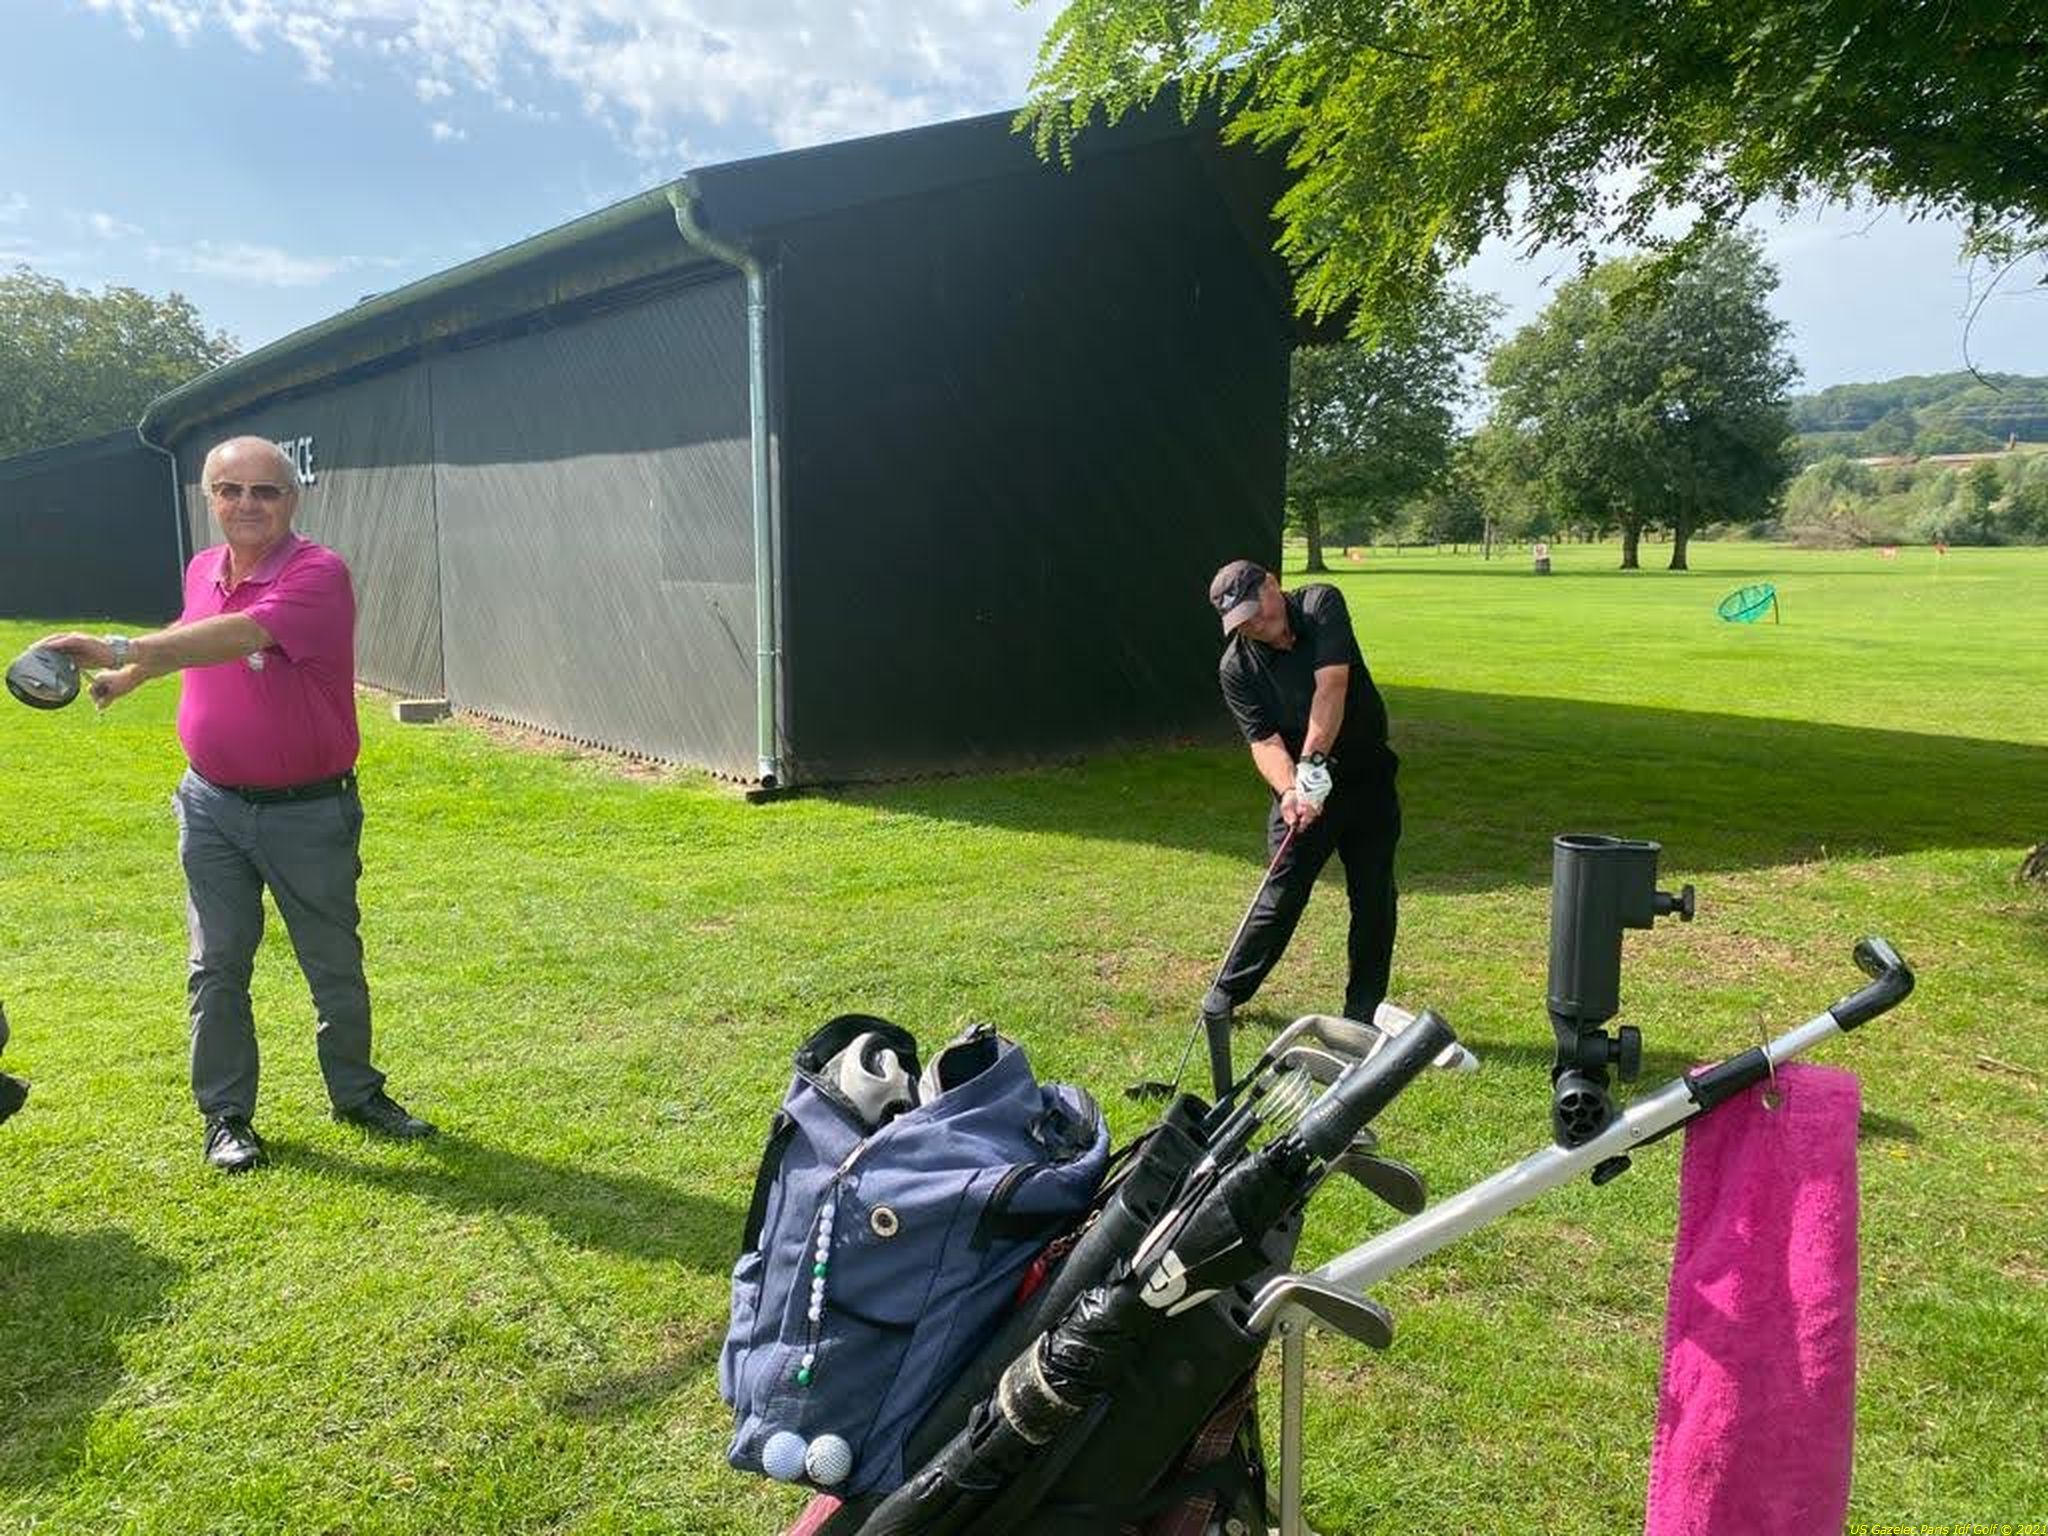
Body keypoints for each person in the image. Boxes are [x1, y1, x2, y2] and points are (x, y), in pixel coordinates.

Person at [39, 436, 433, 1173]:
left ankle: (357, 1093)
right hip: (210, 806)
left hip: (307, 811)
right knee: (216, 963)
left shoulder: (317, 574)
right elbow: (193, 634)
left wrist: (118, 649)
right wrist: (133, 678)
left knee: (332, 962)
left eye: (265, 491)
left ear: (292, 499)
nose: (247, 504)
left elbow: (242, 635)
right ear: (210, 498)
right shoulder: (203, 568)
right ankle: (225, 1116)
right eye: (230, 490)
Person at [1202, 558, 1402, 1050]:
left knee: (1374, 897)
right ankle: (1224, 995)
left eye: (1256, 610)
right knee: (1282, 892)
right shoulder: (1237, 667)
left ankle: (1363, 1011)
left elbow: (1332, 685)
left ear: (1272, 584)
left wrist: (1314, 764)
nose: (1253, 624)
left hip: (1367, 779)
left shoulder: (1320, 604)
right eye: (1241, 621)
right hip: (1302, 790)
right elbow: (1263, 741)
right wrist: (1292, 789)